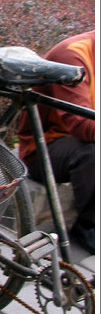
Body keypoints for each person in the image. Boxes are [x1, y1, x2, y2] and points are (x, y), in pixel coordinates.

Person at [17, 30, 95, 254]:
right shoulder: (73, 56)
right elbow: (82, 125)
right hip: (44, 148)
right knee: (92, 153)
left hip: (77, 139)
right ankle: (87, 226)